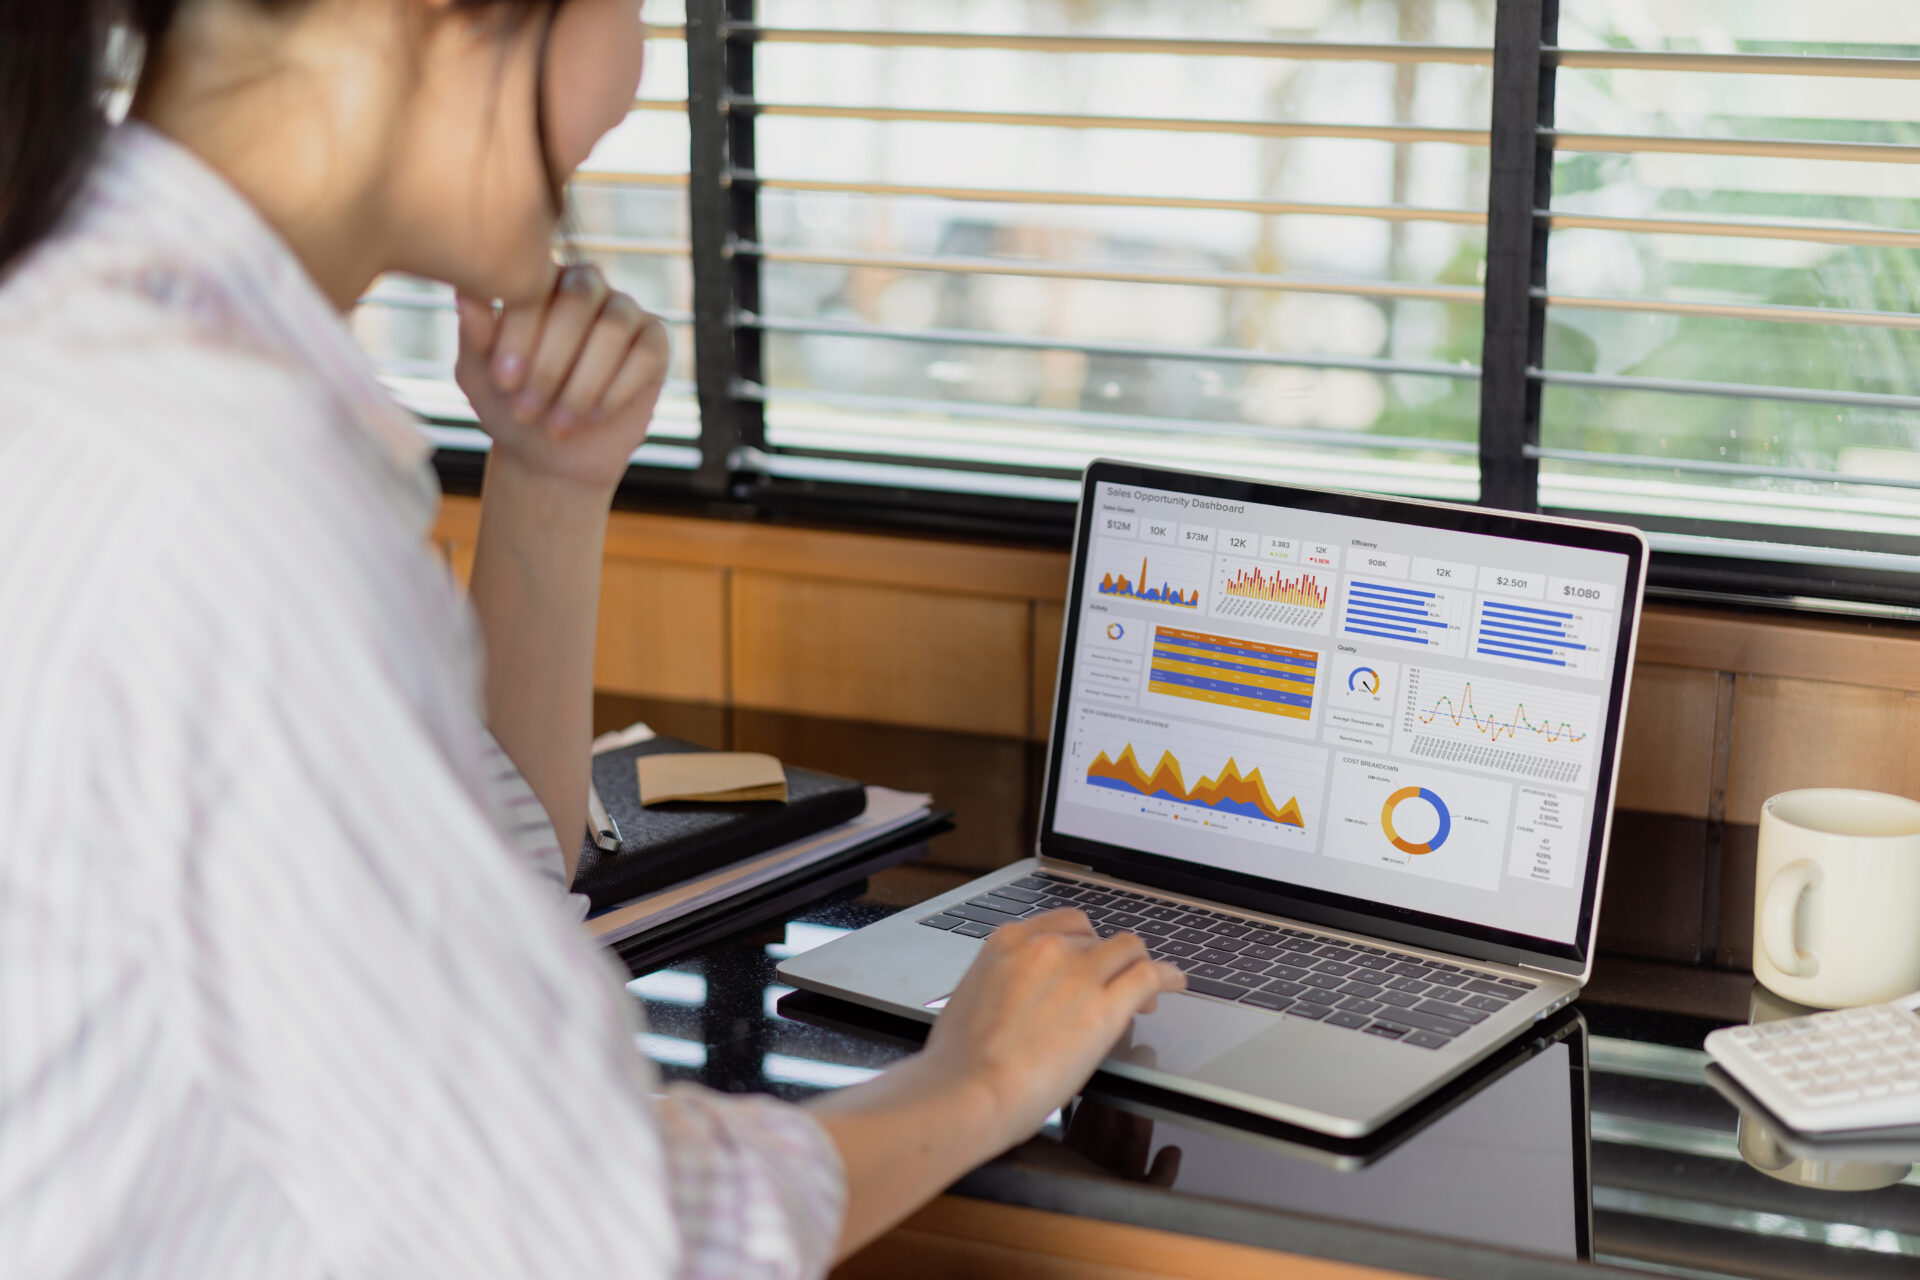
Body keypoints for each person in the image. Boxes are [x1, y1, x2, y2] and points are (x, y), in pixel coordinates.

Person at [0, 1, 1186, 1275]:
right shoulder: (230, 483)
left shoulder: (92, 349)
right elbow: (583, 1235)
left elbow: (478, 883)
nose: (630, 80)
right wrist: (985, 1078)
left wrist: (552, 482)